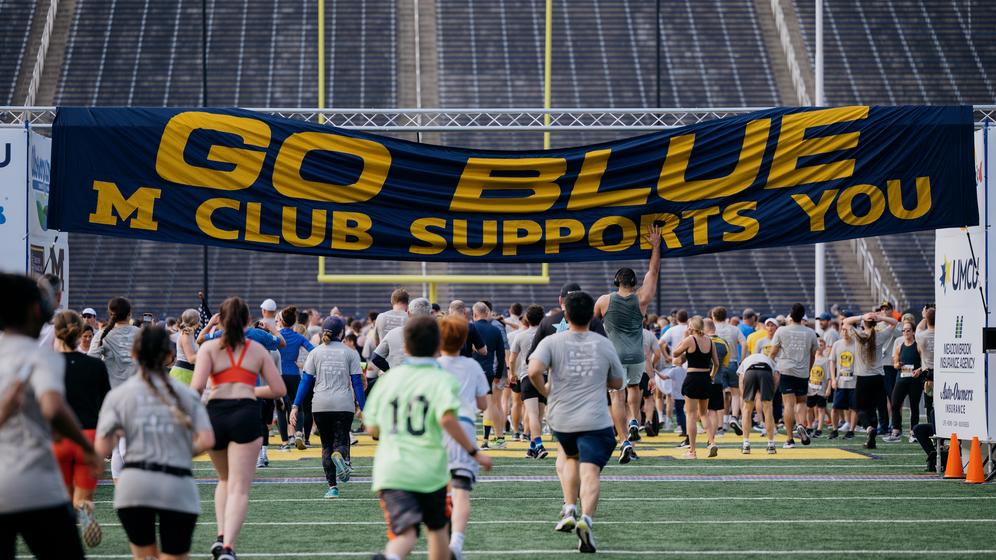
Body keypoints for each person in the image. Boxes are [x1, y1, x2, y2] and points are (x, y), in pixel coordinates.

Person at [365, 316, 492, 560]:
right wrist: (475, 452)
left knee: (405, 535)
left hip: (391, 469)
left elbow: (372, 428)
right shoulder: (441, 380)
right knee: (437, 530)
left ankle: (390, 557)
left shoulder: (390, 379)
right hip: (429, 471)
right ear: (436, 346)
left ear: (406, 347)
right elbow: (446, 419)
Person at [95, 326, 215, 560]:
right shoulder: (186, 394)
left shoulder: (118, 396)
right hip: (176, 482)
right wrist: (179, 452)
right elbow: (207, 440)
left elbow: (101, 449)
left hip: (134, 484)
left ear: (133, 354)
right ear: (169, 357)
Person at [0, 273, 97, 559]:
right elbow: (53, 407)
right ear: (36, 310)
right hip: (35, 482)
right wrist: (86, 446)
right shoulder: (41, 356)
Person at [192, 297, 286, 560]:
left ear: (220, 320)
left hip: (216, 414)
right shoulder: (256, 349)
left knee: (224, 479)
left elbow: (196, 389)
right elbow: (279, 390)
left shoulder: (209, 348)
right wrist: (249, 389)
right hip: (245, 413)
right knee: (239, 487)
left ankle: (221, 537)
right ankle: (229, 547)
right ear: (248, 321)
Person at [528, 291, 623, 552]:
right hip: (594, 417)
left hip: (562, 416)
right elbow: (618, 382)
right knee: (590, 470)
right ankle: (586, 520)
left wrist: (545, 390)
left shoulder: (552, 341)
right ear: (593, 315)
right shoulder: (603, 343)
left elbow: (533, 370)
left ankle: (569, 507)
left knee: (570, 457)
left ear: (565, 315)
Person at [593, 224, 661, 463]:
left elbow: (590, 324)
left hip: (615, 355)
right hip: (637, 356)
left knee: (616, 398)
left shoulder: (603, 301)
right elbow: (653, 272)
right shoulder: (641, 299)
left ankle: (624, 440)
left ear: (616, 282)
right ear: (633, 283)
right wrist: (656, 247)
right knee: (635, 390)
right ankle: (634, 420)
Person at [52, 310, 111, 548]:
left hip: (58, 438)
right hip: (88, 437)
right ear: (80, 334)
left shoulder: (47, 365)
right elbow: (107, 405)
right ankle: (84, 509)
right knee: (83, 497)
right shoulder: (96, 366)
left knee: (62, 500)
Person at [289, 317, 361, 498]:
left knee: (325, 446)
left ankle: (332, 488)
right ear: (342, 333)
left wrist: (295, 405)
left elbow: (305, 382)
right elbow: (357, 384)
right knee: (341, 442)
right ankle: (340, 455)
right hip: (343, 404)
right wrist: (364, 408)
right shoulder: (350, 353)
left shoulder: (315, 353)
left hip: (320, 405)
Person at [436, 317, 490, 560]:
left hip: (435, 429)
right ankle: (456, 543)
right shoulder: (472, 366)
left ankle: (441, 543)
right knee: (461, 491)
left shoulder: (433, 366)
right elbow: (482, 403)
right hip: (464, 427)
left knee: (439, 491)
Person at [89, 296, 142, 481]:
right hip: (136, 393)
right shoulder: (138, 332)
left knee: (117, 445)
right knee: (129, 442)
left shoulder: (103, 334)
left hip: (112, 394)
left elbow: (91, 359)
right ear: (129, 313)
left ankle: (121, 489)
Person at [844, 311, 898, 450]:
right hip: (878, 377)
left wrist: (862, 316)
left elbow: (846, 322)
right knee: (873, 408)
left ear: (864, 323)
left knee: (860, 408)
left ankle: (868, 428)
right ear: (875, 323)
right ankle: (871, 439)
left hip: (863, 378)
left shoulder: (859, 335)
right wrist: (879, 318)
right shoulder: (879, 336)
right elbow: (895, 322)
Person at [768, 303, 817, 448]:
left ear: (790, 315)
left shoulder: (782, 330)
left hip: (786, 370)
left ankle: (789, 438)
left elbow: (772, 353)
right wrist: (808, 370)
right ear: (803, 316)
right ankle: (801, 425)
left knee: (788, 404)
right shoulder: (810, 333)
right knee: (801, 402)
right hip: (802, 372)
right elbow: (813, 355)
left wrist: (772, 370)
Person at [671, 316, 720, 458]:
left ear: (691, 326)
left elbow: (675, 353)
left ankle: (692, 451)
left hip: (692, 378)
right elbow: (716, 364)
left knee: (691, 415)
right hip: (705, 378)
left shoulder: (690, 339)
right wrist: (711, 376)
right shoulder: (710, 341)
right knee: (704, 414)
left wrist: (685, 336)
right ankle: (711, 442)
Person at [510, 304, 547, 458]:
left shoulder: (520, 335)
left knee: (532, 414)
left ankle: (537, 444)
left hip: (527, 376)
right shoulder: (547, 336)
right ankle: (533, 446)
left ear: (526, 318)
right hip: (544, 376)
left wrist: (513, 374)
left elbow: (512, 359)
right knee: (538, 415)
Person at [276, 306, 315, 450]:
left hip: (279, 375)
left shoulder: (276, 336)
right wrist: (304, 365)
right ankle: (299, 433)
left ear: (280, 321)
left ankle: (285, 443)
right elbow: (313, 350)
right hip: (294, 375)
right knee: (297, 406)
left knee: (281, 408)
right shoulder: (299, 336)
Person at [472, 301, 508, 448]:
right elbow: (501, 356)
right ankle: (497, 438)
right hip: (488, 370)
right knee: (491, 404)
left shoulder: (471, 328)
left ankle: (472, 437)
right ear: (487, 313)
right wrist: (498, 374)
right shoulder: (495, 330)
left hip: (471, 369)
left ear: (474, 314)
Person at [371, 298, 434, 371]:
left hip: (397, 379)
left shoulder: (393, 333)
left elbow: (376, 358)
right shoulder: (437, 335)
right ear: (431, 314)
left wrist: (390, 372)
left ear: (408, 313)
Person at [885, 321, 923, 443]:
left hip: (914, 381)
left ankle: (914, 432)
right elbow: (895, 363)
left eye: (908, 330)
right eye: (904, 330)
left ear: (913, 331)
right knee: (895, 404)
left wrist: (919, 370)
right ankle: (896, 431)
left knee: (914, 406)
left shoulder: (918, 346)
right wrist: (897, 364)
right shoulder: (899, 346)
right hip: (901, 379)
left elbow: (925, 363)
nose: (906, 332)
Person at [711, 307, 747, 435]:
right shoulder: (734, 329)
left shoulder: (712, 328)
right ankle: (734, 417)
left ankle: (721, 425)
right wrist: (742, 361)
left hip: (717, 365)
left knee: (719, 394)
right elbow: (744, 343)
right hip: (732, 362)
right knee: (736, 394)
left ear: (713, 316)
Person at [737, 350, 778, 454]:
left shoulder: (746, 360)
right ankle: (771, 444)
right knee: (768, 409)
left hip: (750, 371)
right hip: (766, 371)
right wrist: (772, 392)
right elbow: (777, 376)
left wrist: (744, 397)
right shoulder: (768, 359)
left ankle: (746, 443)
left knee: (747, 409)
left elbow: (741, 379)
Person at [829, 323, 858, 439]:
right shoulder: (837, 345)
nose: (845, 332)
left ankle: (851, 430)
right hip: (840, 381)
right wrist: (833, 379)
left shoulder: (857, 345)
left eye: (847, 330)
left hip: (854, 381)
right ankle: (834, 429)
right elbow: (832, 362)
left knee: (854, 408)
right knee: (835, 407)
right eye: (843, 330)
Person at [806, 339, 831, 437]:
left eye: (821, 345)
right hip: (810, 388)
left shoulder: (826, 360)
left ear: (824, 347)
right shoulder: (810, 358)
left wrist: (828, 388)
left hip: (821, 388)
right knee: (809, 408)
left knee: (821, 409)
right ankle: (809, 426)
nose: (819, 346)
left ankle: (819, 429)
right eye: (818, 344)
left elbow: (829, 377)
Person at [169, 309, 201, 385]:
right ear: (195, 320)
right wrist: (207, 354)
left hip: (187, 372)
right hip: (182, 373)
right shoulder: (186, 334)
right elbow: (190, 359)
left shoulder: (189, 333)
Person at [916, 307, 936, 425]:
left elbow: (918, 328)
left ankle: (931, 429)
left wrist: (924, 316)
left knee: (929, 405)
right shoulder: (943, 334)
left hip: (928, 376)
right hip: (942, 373)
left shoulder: (921, 335)